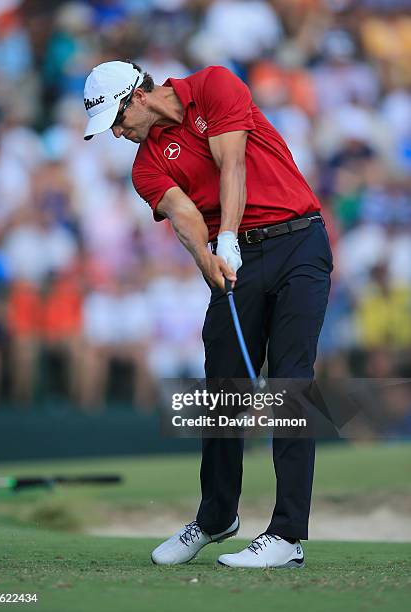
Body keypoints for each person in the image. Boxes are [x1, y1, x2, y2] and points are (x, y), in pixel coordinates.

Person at [83, 60, 333, 568]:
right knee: (222, 389)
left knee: (290, 383)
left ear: (138, 97)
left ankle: (287, 535)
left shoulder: (214, 85)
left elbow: (232, 163)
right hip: (236, 260)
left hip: (299, 242)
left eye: (116, 120)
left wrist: (227, 237)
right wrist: (208, 258)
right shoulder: (144, 165)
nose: (116, 133)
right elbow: (184, 215)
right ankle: (217, 516)